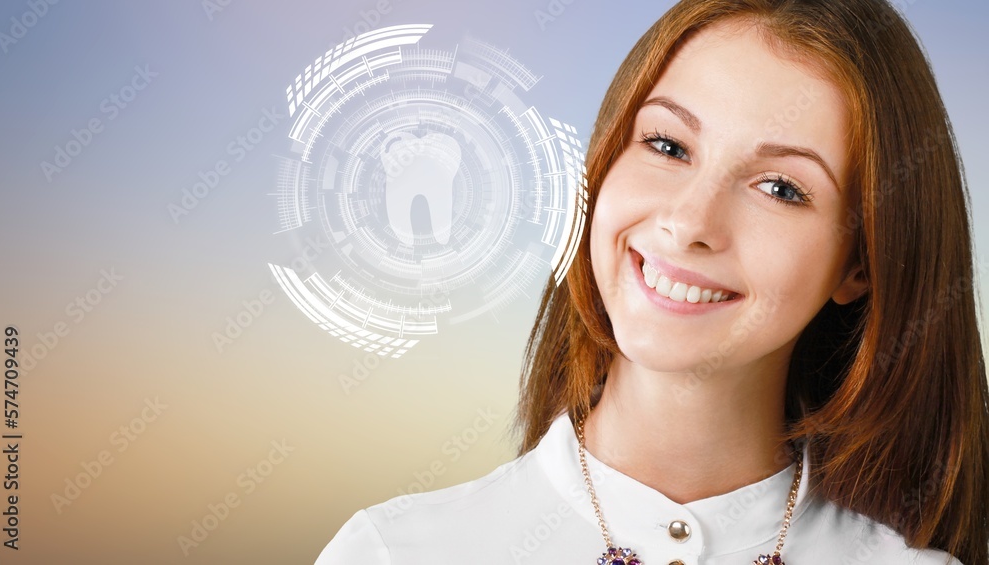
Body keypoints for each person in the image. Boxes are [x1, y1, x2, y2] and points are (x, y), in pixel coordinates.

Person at [314, 0, 989, 563]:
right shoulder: (393, 550)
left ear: (860, 262)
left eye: (781, 187)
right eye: (668, 146)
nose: (690, 221)